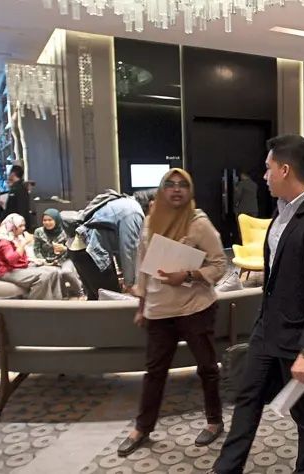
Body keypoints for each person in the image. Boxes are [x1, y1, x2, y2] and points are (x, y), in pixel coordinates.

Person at [210, 135, 304, 474]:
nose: (264, 175)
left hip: (298, 341)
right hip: (266, 331)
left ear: (285, 169)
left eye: (268, 168)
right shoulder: (281, 212)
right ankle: (225, 469)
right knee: (247, 399)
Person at [117, 168, 227, 457]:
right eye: (170, 184)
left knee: (207, 367)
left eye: (183, 185)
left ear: (190, 191)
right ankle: (142, 428)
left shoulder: (198, 223)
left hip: (195, 308)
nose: (176, 189)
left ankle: (214, 421)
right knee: (154, 372)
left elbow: (219, 264)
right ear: (161, 189)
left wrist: (189, 274)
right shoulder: (150, 221)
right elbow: (143, 267)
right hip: (159, 311)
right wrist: (142, 305)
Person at [63, 190, 144, 300]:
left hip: (78, 247)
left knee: (95, 298)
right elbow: (129, 248)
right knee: (110, 299)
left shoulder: (123, 202)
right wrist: (130, 283)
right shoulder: (134, 211)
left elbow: (120, 246)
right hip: (90, 251)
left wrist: (123, 273)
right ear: (151, 203)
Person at [0, 213, 63, 300]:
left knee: (54, 272)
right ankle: (34, 305)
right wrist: (24, 243)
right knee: (44, 276)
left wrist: (39, 261)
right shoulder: (4, 241)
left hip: (21, 267)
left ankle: (56, 302)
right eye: (20, 226)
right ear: (12, 227)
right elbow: (12, 260)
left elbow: (23, 258)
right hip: (7, 271)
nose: (24, 228)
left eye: (24, 225)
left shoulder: (17, 238)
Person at [33, 208, 85, 298]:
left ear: (56, 220)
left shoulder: (66, 231)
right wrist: (43, 261)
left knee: (66, 272)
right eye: (45, 220)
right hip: (47, 261)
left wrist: (64, 249)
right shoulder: (39, 232)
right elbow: (36, 249)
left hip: (65, 259)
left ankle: (80, 293)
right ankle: (60, 296)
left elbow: (74, 248)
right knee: (51, 273)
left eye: (50, 220)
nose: (47, 222)